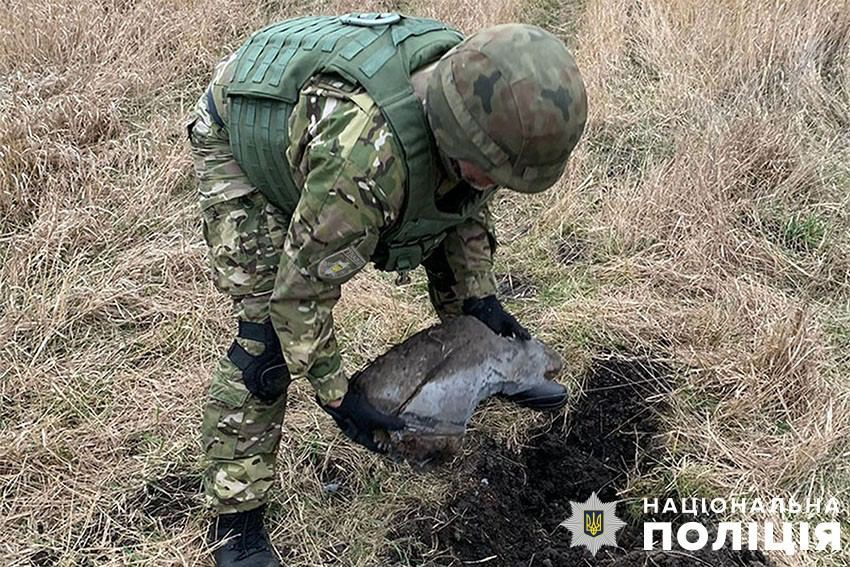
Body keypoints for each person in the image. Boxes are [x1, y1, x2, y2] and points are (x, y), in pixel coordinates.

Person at [186, 12, 587, 567]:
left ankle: (486, 369)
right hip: (243, 140)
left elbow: (463, 213)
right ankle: (236, 524)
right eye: (491, 169)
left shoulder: (474, 92)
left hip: (336, 141)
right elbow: (299, 293)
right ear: (454, 132)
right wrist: (339, 396)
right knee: (265, 350)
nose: (495, 184)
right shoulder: (364, 162)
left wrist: (480, 303)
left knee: (470, 280)